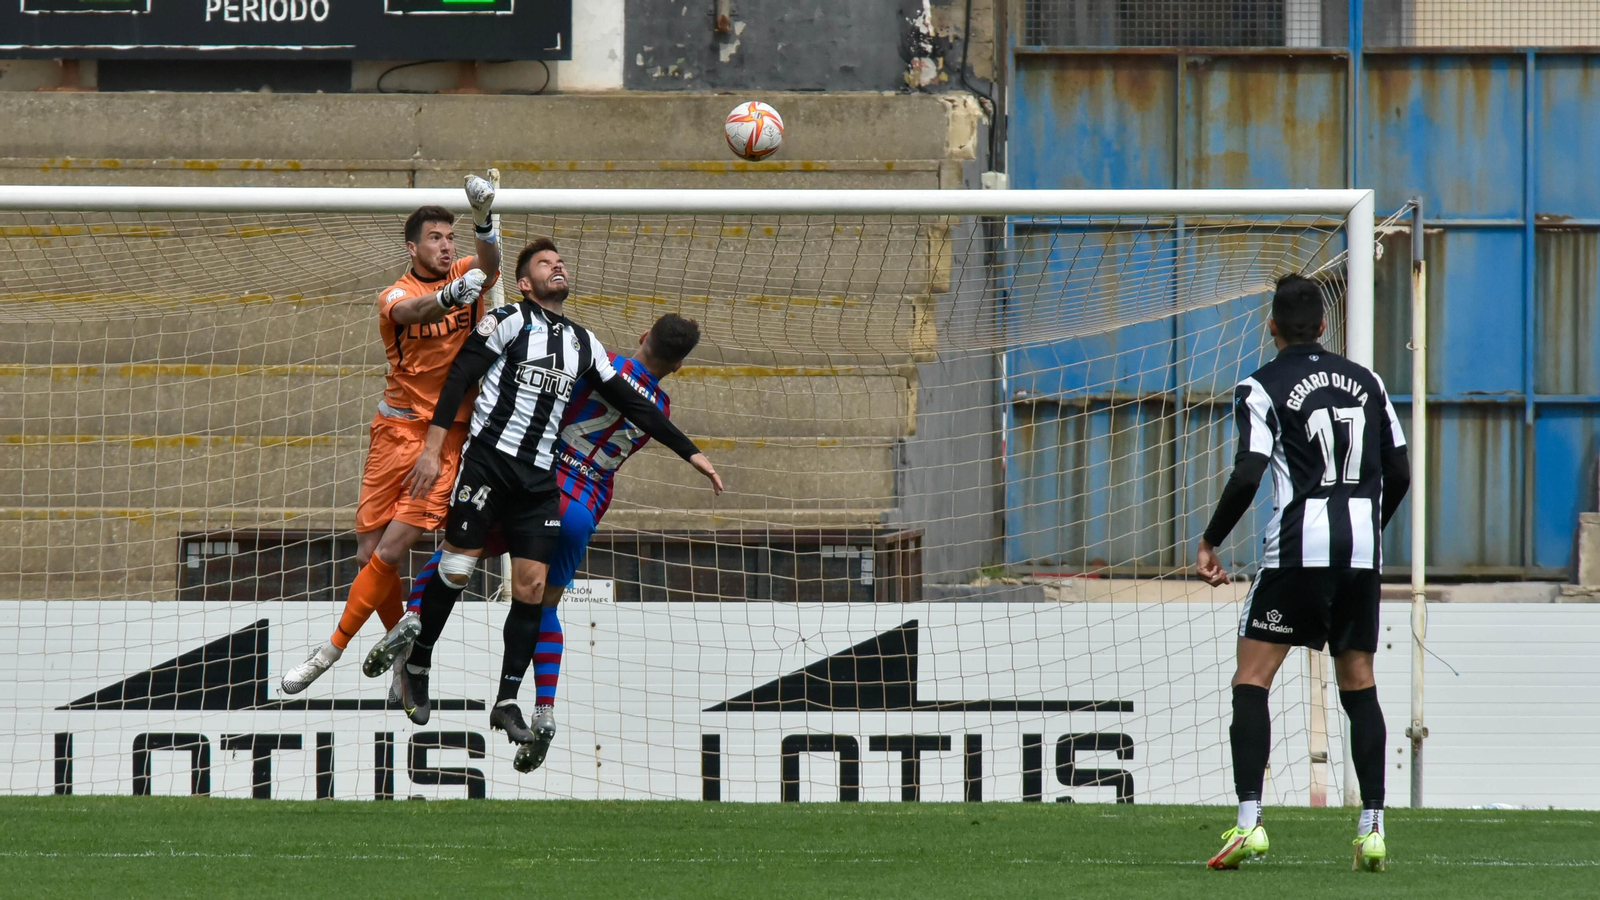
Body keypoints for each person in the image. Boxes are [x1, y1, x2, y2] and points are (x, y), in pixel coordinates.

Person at [389, 238, 722, 772]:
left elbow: (540, 394)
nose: (558, 266)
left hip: (541, 475)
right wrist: (692, 452)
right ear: (678, 366)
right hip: (584, 505)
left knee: (457, 557)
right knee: (542, 604)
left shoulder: (598, 355)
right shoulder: (655, 399)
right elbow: (638, 408)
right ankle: (540, 706)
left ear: (641, 337)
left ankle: (411, 630)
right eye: (549, 263)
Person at [1195, 274, 1410, 872]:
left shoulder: (1261, 386)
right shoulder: (1369, 383)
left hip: (1297, 551)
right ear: (1323, 326)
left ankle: (1249, 825)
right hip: (1360, 552)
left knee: (1252, 679)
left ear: (1271, 328)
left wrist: (1211, 540)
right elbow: (1400, 470)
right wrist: (1370, 525)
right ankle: (1372, 829)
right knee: (1359, 682)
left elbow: (1248, 473)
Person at [281, 176, 500, 695]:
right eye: (435, 238)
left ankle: (329, 650)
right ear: (412, 246)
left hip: (445, 437)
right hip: (393, 431)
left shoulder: (468, 270)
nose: (447, 245)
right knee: (367, 554)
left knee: (396, 548)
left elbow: (489, 265)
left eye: (450, 236)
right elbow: (414, 312)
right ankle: (401, 661)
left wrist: (484, 220)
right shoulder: (396, 293)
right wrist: (451, 295)